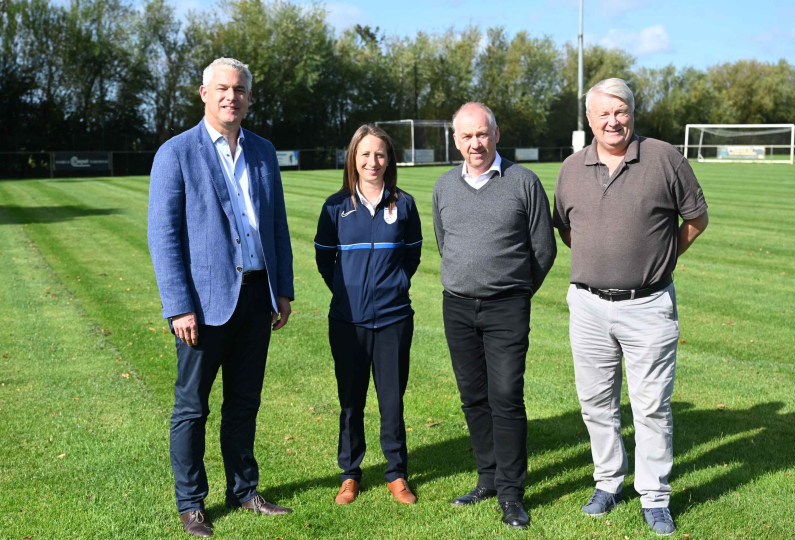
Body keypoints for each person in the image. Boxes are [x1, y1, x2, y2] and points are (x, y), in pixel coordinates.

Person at [552, 78, 709, 535]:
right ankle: (607, 480)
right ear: (589, 119)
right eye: (603, 113)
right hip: (587, 306)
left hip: (649, 305)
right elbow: (566, 228)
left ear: (632, 113)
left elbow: (696, 219)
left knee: (652, 406)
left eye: (620, 111)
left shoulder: (663, 158)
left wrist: (661, 258)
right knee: (595, 402)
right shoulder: (570, 167)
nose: (612, 120)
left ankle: (654, 495)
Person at [148, 58, 294, 538]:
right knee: (192, 408)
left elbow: (276, 225)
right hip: (203, 306)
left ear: (249, 97)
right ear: (204, 93)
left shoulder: (264, 152)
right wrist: (178, 305)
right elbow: (164, 235)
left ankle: (244, 490)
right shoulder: (176, 153)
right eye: (223, 89)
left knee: (244, 404)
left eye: (240, 90)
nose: (232, 96)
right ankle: (191, 504)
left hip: (256, 298)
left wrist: (283, 289)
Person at [432, 102, 556, 529]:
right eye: (466, 136)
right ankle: (486, 478)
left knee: (506, 397)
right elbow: (444, 242)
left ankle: (511, 493)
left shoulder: (524, 182)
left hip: (507, 307)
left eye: (482, 134)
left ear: (497, 135)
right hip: (458, 307)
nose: (475, 143)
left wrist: (515, 292)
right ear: (455, 141)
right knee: (473, 397)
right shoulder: (444, 186)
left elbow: (543, 250)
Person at [314, 124, 423, 506]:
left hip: (394, 319)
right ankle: (350, 474)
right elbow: (324, 261)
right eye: (365, 154)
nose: (372, 161)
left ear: (389, 158)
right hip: (347, 322)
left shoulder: (404, 204)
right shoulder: (335, 207)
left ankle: (396, 473)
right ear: (353, 159)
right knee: (351, 401)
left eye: (379, 154)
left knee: (392, 401)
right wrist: (350, 294)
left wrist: (392, 287)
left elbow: (412, 257)